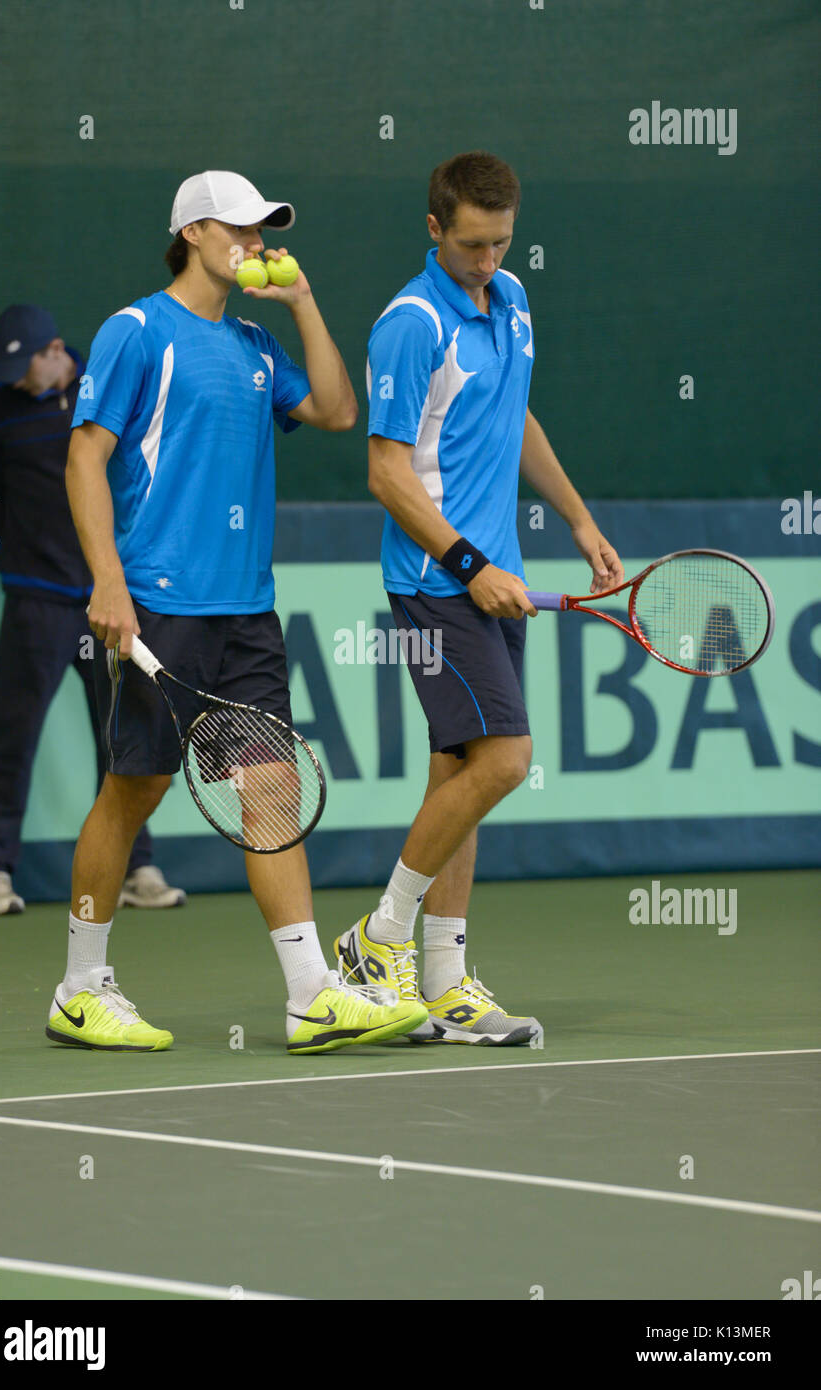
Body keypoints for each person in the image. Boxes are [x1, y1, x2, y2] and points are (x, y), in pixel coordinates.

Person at [50, 169, 426, 1054]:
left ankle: (310, 995)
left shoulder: (259, 347)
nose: (256, 243)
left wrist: (302, 302)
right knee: (133, 788)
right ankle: (78, 986)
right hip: (159, 602)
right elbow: (83, 459)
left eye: (264, 232)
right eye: (243, 229)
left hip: (247, 610)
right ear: (193, 232)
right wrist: (108, 581)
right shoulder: (138, 331)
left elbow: (338, 410)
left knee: (272, 789)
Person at [336, 151, 625, 1044]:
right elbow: (385, 473)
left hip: (493, 578)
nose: (487, 260)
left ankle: (447, 981)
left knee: (458, 776)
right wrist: (470, 567)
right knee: (503, 760)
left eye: (501, 243)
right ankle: (375, 939)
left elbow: (514, 418)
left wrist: (576, 519)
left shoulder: (512, 303)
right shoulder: (411, 323)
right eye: (470, 245)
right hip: (436, 581)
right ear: (434, 230)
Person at [0, 305, 184, 918]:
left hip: (109, 602)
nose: (18, 377)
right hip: (36, 602)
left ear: (58, 351)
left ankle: (136, 867)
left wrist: (113, 575)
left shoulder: (102, 385)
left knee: (124, 738)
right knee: (11, 734)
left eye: (27, 361)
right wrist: (15, 564)